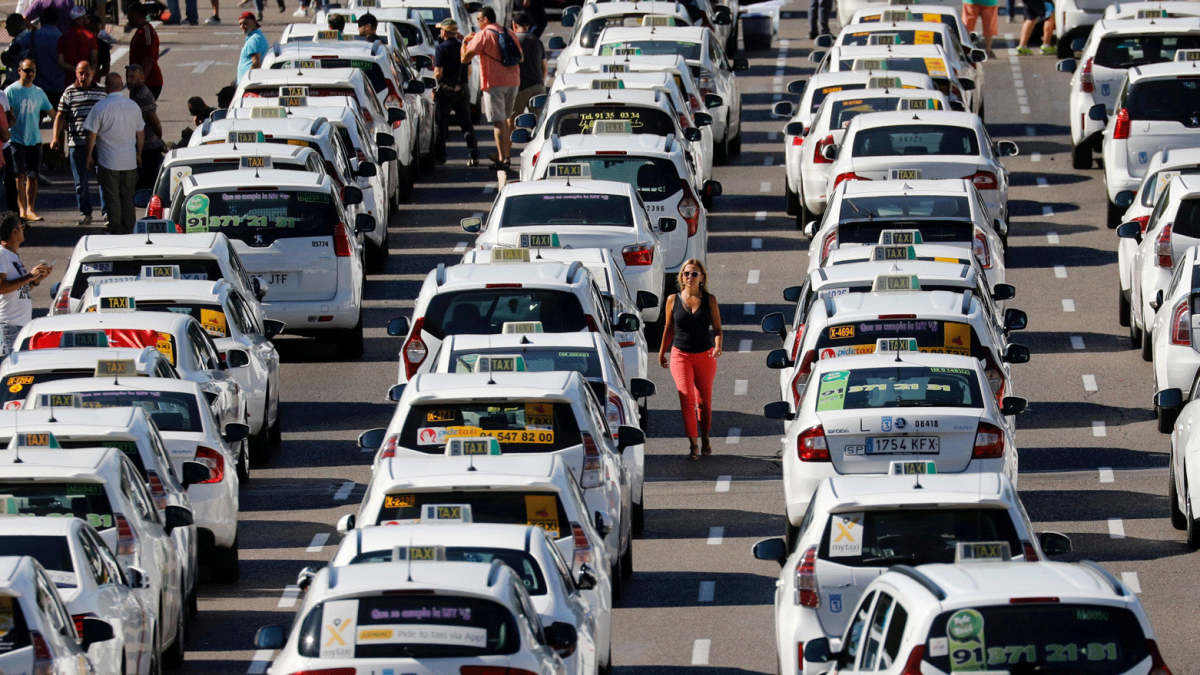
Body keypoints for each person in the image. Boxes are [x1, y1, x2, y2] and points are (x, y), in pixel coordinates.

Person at [658, 259, 723, 460]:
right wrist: (662, 352)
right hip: (680, 355)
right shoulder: (672, 299)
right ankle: (693, 445)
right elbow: (669, 328)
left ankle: (705, 438)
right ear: (681, 277)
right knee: (686, 398)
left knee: (704, 402)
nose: (690, 277)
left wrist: (718, 345)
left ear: (702, 277)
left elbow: (718, 328)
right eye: (686, 274)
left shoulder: (710, 299)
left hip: (705, 354)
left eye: (694, 274)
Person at [462, 6, 521, 170]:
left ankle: (502, 159)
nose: (478, 22)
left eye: (479, 19)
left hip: (494, 82)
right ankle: (506, 154)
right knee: (508, 119)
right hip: (513, 80)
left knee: (498, 122)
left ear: (485, 19)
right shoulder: (508, 32)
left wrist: (465, 42)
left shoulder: (483, 35)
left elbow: (465, 58)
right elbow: (520, 56)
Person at [83, 72, 143, 234]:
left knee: (112, 197)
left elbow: (92, 134)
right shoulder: (133, 106)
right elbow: (140, 133)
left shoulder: (100, 107)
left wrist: (89, 156)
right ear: (121, 84)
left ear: (107, 87)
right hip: (129, 160)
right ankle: (129, 227)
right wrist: (138, 154)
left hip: (108, 160)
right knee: (128, 196)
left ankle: (116, 227)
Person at [50, 60, 105, 225]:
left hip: (99, 144)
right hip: (76, 143)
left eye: (86, 73)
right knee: (80, 182)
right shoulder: (69, 92)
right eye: (80, 73)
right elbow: (60, 116)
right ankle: (85, 213)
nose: (83, 77)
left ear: (93, 73)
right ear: (76, 74)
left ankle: (107, 213)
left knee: (103, 179)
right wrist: (55, 137)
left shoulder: (102, 92)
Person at [5, 59, 53, 221]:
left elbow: (53, 114)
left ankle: (30, 209)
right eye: (26, 70)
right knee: (19, 175)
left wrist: (63, 131)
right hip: (16, 139)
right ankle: (21, 210)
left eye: (33, 71)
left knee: (33, 176)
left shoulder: (39, 92)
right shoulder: (10, 91)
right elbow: (6, 114)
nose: (30, 74)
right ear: (19, 71)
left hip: (34, 139)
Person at [0, 215, 50, 357]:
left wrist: (35, 280)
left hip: (21, 326)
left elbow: (19, 289)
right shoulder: (1, 254)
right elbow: (1, 287)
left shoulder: (13, 255)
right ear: (15, 232)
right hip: (8, 326)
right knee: (9, 371)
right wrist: (29, 276)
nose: (24, 230)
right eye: (22, 227)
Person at [433, 18, 478, 166]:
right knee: (466, 123)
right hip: (462, 88)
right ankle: (473, 154)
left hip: (446, 89)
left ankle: (440, 156)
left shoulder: (441, 49)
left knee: (441, 123)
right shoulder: (463, 47)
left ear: (444, 32)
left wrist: (436, 84)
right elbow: (470, 71)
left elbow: (438, 72)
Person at [124, 64, 162, 191]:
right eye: (127, 76)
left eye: (132, 77)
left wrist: (159, 137)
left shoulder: (143, 95)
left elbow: (154, 121)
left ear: (141, 78)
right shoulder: (134, 92)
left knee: (148, 185)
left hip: (149, 146)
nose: (128, 80)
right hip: (140, 144)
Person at [511, 12, 544, 121]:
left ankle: (511, 138)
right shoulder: (537, 41)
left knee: (512, 120)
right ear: (528, 25)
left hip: (519, 88)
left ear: (514, 25)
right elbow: (545, 67)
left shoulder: (512, 41)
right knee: (540, 122)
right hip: (537, 86)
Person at [28, 6, 64, 106]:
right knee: (58, 117)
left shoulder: (33, 35)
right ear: (56, 20)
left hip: (38, 84)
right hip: (58, 85)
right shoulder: (62, 37)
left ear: (42, 20)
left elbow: (15, 48)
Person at [56, 7, 96, 90]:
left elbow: (60, 62)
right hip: (88, 83)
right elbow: (94, 60)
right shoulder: (90, 36)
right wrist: (88, 75)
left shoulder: (63, 38)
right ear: (80, 19)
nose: (87, 20)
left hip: (70, 83)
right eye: (85, 17)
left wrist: (77, 70)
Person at [127, 6, 161, 98]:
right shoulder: (140, 31)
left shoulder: (146, 32)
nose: (127, 18)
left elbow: (148, 59)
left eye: (129, 16)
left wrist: (141, 81)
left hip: (149, 82)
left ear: (136, 15)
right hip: (140, 81)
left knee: (144, 111)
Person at [236, 12, 266, 83]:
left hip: (247, 84)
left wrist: (247, 81)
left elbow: (256, 63)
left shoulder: (253, 40)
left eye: (245, 23)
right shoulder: (258, 36)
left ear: (253, 23)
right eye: (240, 24)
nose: (242, 26)